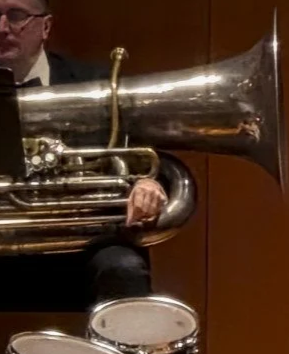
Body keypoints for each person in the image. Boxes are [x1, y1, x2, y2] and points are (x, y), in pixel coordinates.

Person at [0, 0, 166, 310]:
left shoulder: (99, 83)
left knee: (123, 268)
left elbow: (147, 158)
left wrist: (146, 183)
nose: (2, 28)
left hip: (83, 243)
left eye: (16, 15)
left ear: (45, 26)